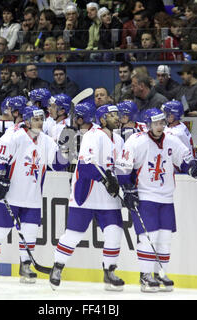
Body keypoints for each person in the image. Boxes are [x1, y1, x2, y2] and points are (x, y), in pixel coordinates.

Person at [0, 106, 68, 283]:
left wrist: (68, 144)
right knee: (1, 230)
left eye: (41, 119)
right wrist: (1, 178)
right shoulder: (13, 136)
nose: (39, 123)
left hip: (32, 196)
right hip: (10, 194)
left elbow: (58, 164)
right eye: (35, 119)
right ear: (26, 121)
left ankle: (25, 265)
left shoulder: (46, 141)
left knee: (30, 231)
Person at [116, 108, 197, 292]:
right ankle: (146, 275)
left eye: (162, 122)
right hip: (146, 196)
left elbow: (186, 160)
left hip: (166, 197)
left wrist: (193, 167)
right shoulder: (136, 141)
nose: (160, 126)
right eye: (156, 123)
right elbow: (122, 169)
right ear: (147, 124)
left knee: (164, 239)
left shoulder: (172, 139)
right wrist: (128, 189)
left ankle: (160, 273)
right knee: (149, 237)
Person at [49, 104, 126, 291]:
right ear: (102, 119)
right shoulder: (93, 136)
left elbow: (122, 167)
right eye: (112, 115)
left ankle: (109, 271)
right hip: (86, 193)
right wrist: (106, 179)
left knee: (114, 232)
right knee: (73, 235)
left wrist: (127, 187)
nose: (117, 118)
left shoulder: (119, 139)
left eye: (117, 114)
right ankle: (57, 267)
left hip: (108, 197)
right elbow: (85, 166)